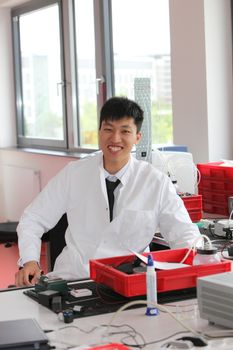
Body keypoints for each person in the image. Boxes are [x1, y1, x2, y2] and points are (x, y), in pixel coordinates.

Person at [15, 96, 201, 286]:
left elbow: (184, 234)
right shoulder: (74, 174)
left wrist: (200, 260)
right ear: (99, 132)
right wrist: (30, 260)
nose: (115, 139)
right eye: (108, 129)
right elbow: (33, 218)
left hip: (131, 282)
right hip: (74, 278)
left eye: (125, 131)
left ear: (137, 137)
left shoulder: (156, 182)